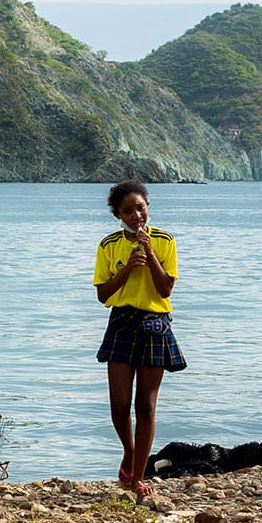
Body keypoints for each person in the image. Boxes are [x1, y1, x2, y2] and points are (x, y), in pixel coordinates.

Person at [92, 180, 184, 498]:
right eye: (128, 211)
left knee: (145, 405)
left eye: (140, 208)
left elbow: (165, 289)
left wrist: (148, 250)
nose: (136, 216)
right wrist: (128, 268)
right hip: (122, 321)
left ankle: (138, 477)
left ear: (148, 206)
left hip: (154, 323)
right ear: (117, 215)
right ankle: (130, 452)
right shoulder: (108, 245)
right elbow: (103, 295)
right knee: (120, 406)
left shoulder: (164, 240)